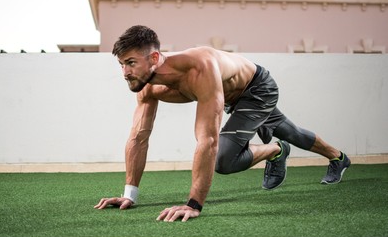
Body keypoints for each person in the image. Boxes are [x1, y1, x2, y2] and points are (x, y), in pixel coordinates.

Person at [94, 25, 351, 222]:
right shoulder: (147, 86)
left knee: (223, 159)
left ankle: (277, 149)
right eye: (121, 64)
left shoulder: (199, 69)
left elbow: (208, 139)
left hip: (257, 88)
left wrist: (194, 204)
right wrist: (130, 194)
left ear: (154, 58)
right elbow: (139, 137)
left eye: (130, 63)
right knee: (289, 131)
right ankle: (335, 157)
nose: (125, 73)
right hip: (230, 96)